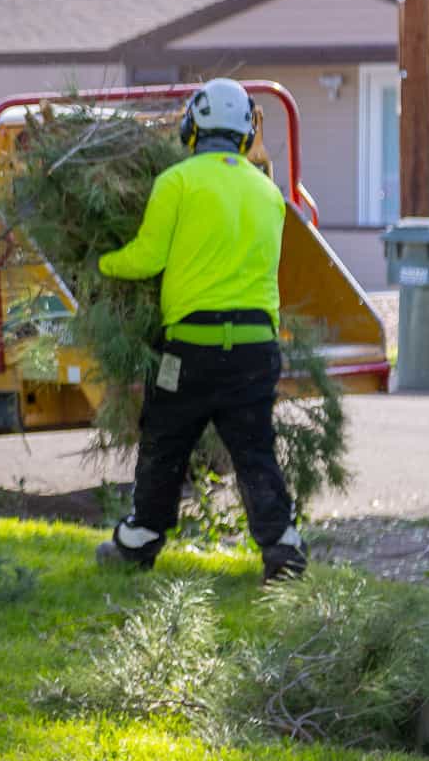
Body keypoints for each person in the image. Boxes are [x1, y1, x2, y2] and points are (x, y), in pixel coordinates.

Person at [95, 77, 308, 584]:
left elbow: (147, 258)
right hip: (256, 349)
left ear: (192, 128)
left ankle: (139, 540)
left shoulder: (177, 181)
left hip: (190, 350)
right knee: (254, 451)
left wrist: (102, 264)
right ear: (244, 133)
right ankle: (283, 548)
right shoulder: (268, 192)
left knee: (164, 443)